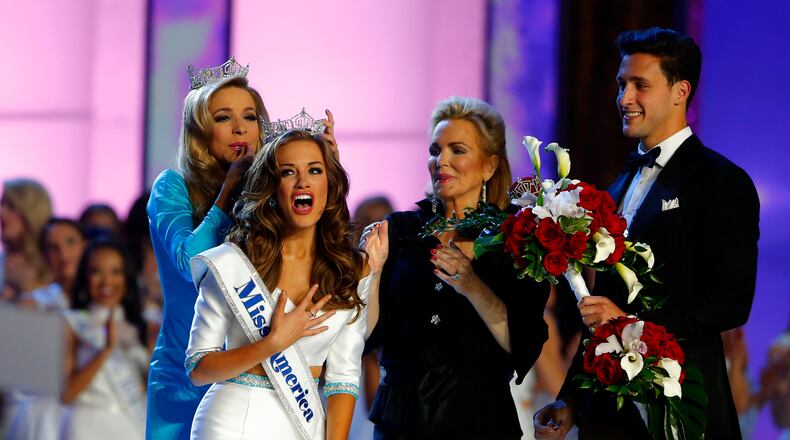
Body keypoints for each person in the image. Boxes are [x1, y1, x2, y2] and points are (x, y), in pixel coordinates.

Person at [534, 27, 760, 439]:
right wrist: (572, 399)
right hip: (609, 415)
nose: (624, 99)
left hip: (679, 408)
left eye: (640, 85)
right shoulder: (621, 182)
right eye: (622, 84)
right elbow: (601, 308)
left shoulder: (720, 181)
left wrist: (631, 323)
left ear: (680, 92)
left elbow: (730, 302)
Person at [145, 57, 338, 439]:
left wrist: (326, 167)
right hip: (188, 372)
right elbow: (190, 262)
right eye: (222, 118)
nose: (239, 128)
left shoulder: (271, 193)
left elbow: (319, 241)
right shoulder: (172, 187)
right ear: (199, 130)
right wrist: (226, 193)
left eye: (250, 117)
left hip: (262, 371)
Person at [363, 96, 549, 439]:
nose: (441, 161)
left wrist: (473, 285)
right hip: (401, 423)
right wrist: (371, 276)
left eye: (457, 150)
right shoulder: (402, 230)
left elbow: (523, 344)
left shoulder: (517, 241)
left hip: (478, 421)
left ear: (489, 166)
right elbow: (373, 336)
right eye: (435, 150)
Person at [185, 128, 384, 439]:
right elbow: (198, 367)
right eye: (288, 172)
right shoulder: (234, 262)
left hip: (304, 426)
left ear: (328, 187)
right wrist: (271, 344)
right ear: (271, 189)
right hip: (232, 422)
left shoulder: (351, 269)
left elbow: (343, 377)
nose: (303, 181)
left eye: (314, 170)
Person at [60, 239, 149, 439]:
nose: (107, 281)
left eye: (116, 271)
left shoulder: (140, 327)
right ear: (85, 277)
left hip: (130, 426)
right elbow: (66, 394)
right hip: (87, 426)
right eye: (96, 271)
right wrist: (106, 350)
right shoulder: (72, 323)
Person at [18, 218, 87, 311]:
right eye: (53, 248)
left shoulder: (102, 295)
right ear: (44, 255)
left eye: (70, 242)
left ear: (85, 245)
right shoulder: (36, 302)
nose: (63, 254)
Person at [0, 178, 52, 302]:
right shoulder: (3, 261)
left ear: (31, 213)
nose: (2, 212)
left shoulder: (54, 262)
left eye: (11, 207)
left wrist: (28, 286)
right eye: (2, 204)